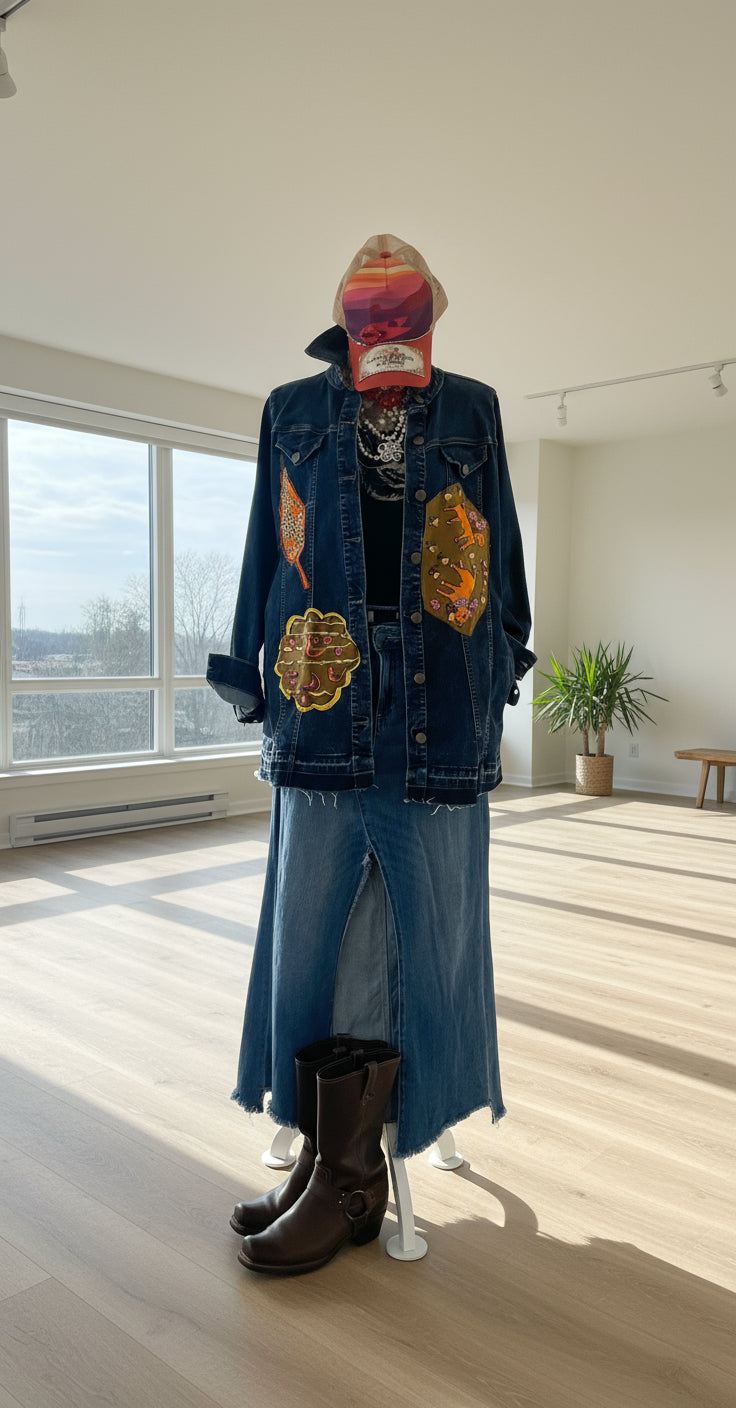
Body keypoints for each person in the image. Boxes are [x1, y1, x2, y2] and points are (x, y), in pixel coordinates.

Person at [207, 234, 535, 1275]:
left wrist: (506, 654)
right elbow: (267, 539)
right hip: (319, 686)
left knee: (431, 938)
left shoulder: (472, 407)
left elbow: (501, 545)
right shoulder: (292, 411)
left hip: (442, 695)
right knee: (306, 927)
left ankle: (371, 1156)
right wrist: (244, 669)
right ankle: (326, 1156)